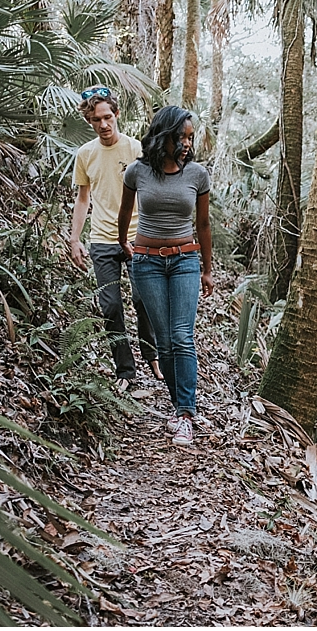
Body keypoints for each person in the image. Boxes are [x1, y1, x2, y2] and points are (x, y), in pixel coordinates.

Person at [118, 106, 213, 446]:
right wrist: (123, 244)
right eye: (181, 136)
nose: (187, 143)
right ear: (164, 134)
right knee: (165, 341)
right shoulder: (137, 172)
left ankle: (186, 414)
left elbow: (203, 224)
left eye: (190, 137)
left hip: (185, 260)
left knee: (181, 337)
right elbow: (125, 213)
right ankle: (179, 408)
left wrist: (207, 269)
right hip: (147, 263)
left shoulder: (197, 175)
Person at [69, 84, 162, 390]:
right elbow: (83, 199)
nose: (104, 124)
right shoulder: (85, 154)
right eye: (97, 120)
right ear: (89, 122)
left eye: (108, 117)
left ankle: (152, 354)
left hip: (138, 237)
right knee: (110, 306)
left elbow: (152, 191)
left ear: (117, 114)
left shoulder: (136, 149)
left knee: (143, 299)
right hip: (103, 240)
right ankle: (125, 370)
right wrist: (74, 239)